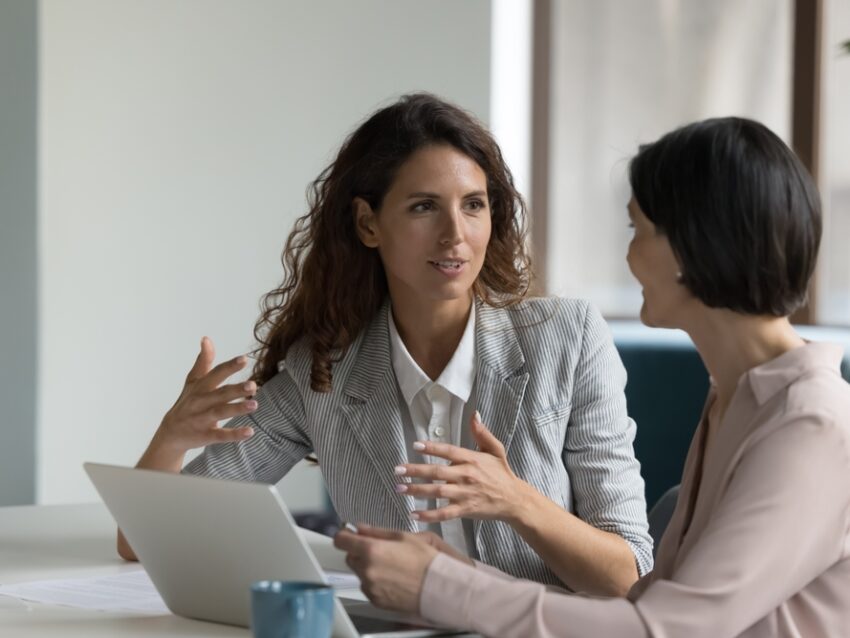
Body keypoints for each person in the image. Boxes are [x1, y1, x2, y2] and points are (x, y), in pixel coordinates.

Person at [117, 92, 653, 595]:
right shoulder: (322, 372)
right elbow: (142, 541)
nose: (455, 234)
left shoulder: (568, 339)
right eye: (424, 207)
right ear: (368, 223)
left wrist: (519, 504)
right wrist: (171, 437)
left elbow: (630, 576)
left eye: (473, 205)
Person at [334, 116, 850, 637]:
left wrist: (440, 586)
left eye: (637, 230)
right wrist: (456, 574)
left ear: (694, 247)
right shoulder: (735, 400)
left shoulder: (811, 424)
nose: (629, 255)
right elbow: (652, 601)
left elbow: (666, 629)